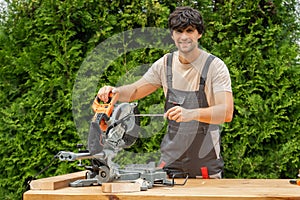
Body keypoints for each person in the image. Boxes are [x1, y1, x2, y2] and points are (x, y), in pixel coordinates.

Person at [96, 6, 233, 178]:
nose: (184, 37)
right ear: (172, 35)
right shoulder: (165, 64)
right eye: (179, 31)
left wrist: (190, 113)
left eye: (190, 31)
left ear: (199, 34)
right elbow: (135, 90)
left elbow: (226, 112)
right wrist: (114, 92)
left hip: (204, 165)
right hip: (171, 163)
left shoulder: (214, 67)